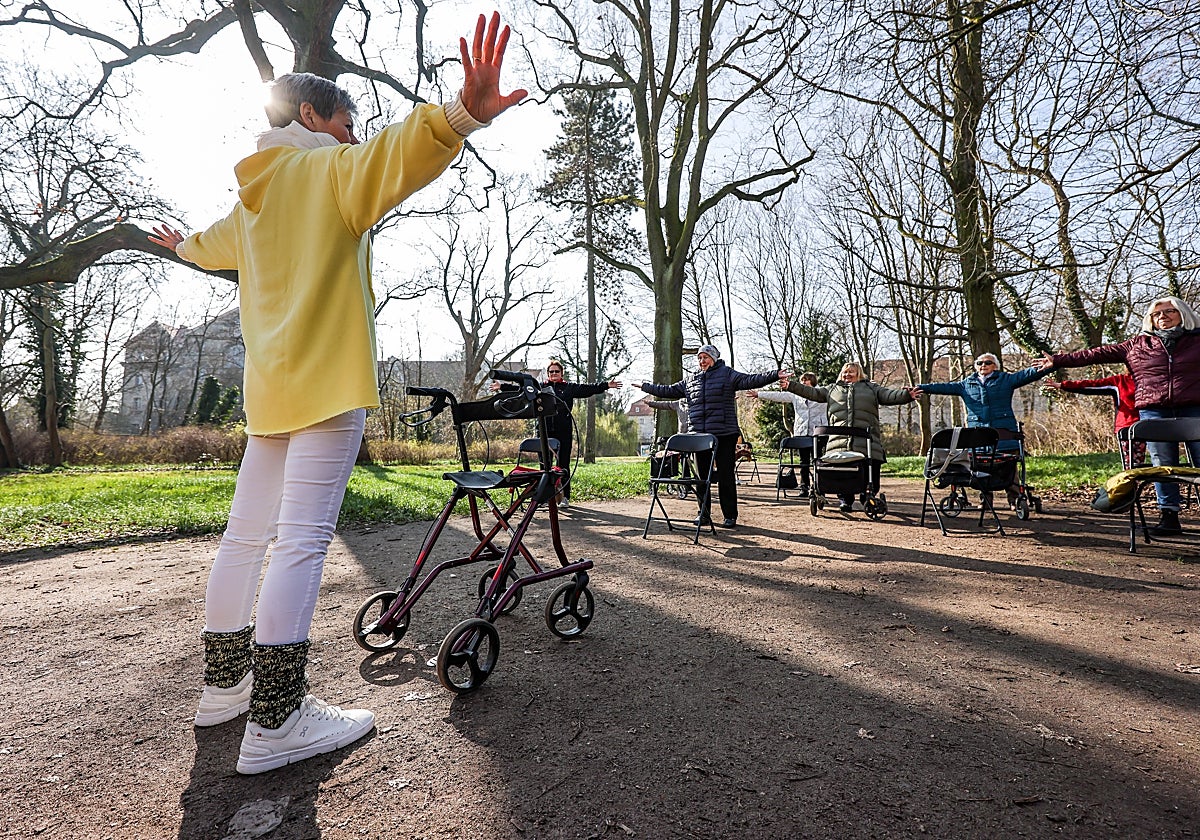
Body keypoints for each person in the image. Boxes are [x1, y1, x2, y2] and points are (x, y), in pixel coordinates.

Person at [146, 12, 527, 775]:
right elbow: (391, 157)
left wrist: (180, 245)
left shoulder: (248, 204)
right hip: (326, 391)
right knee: (302, 541)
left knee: (245, 539)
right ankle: (279, 721)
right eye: (344, 123)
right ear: (312, 117)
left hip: (269, 400)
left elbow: (207, 246)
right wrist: (460, 115)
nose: (354, 137)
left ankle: (226, 689)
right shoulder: (325, 171)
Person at [1036, 296, 1200, 536]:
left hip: (1195, 408)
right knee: (1163, 465)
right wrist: (1059, 360)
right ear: (1150, 319)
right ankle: (1169, 517)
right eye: (1157, 314)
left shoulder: (1197, 340)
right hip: (1154, 410)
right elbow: (1096, 354)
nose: (1163, 317)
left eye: (1169, 312)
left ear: (1183, 314)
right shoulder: (1137, 344)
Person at [638, 345, 788, 528]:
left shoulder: (727, 374)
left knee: (725, 475)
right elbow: (668, 390)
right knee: (701, 477)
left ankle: (730, 515)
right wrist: (646, 386)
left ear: (714, 358)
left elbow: (751, 380)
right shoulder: (691, 380)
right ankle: (704, 514)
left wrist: (774, 374)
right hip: (698, 437)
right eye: (700, 358)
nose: (702, 361)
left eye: (706, 357)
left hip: (724, 433)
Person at [784, 363, 914, 512]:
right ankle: (845, 500)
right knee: (840, 470)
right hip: (838, 441)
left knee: (870, 467)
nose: (847, 375)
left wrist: (907, 395)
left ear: (859, 373)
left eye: (851, 372)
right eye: (845, 372)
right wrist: (791, 385)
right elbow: (811, 392)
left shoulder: (871, 388)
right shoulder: (832, 389)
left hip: (866, 442)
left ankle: (867, 496)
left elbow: (889, 395)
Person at [531, 360, 622, 506]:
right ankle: (546, 497)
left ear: (562, 373)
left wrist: (606, 385)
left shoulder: (568, 388)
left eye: (557, 371)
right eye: (551, 372)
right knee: (544, 465)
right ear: (547, 374)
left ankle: (565, 497)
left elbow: (587, 389)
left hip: (564, 431)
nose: (554, 374)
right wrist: (501, 387)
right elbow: (522, 389)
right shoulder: (540, 388)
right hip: (544, 431)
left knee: (563, 464)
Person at [747, 371, 828, 497]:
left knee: (818, 460)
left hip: (818, 431)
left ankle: (819, 487)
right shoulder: (796, 395)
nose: (803, 382)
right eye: (802, 381)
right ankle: (804, 487)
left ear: (813, 381)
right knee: (803, 461)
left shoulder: (822, 393)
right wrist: (759, 394)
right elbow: (779, 396)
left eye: (806, 380)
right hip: (802, 432)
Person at [1044, 374, 1143, 467]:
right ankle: (1131, 484)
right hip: (1126, 427)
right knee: (1130, 464)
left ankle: (1152, 483)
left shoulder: (1152, 379)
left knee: (1149, 461)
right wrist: (1064, 385)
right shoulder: (1120, 381)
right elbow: (1092, 385)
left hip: (1147, 426)